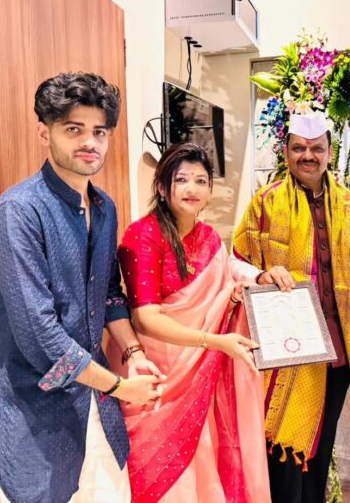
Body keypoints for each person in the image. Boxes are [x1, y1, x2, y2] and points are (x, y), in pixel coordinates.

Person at [0, 72, 164, 503]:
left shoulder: (103, 207)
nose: (89, 142)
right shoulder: (19, 212)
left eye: (99, 131)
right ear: (44, 133)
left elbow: (109, 293)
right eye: (73, 129)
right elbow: (41, 338)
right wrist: (119, 387)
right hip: (37, 419)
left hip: (98, 410)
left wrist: (134, 354)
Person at [108, 143, 271, 502]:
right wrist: (216, 342)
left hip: (199, 372)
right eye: (182, 180)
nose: (192, 188)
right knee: (158, 470)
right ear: (162, 187)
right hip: (156, 373)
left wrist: (258, 278)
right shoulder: (143, 235)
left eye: (201, 180)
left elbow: (228, 272)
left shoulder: (209, 237)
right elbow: (145, 318)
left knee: (202, 461)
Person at [232, 113, 350, 503]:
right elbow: (238, 261)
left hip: (338, 351)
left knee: (320, 448)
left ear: (329, 152)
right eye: (298, 148)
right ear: (286, 152)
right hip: (286, 350)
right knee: (281, 450)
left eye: (316, 148)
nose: (307, 156)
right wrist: (262, 274)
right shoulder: (265, 202)